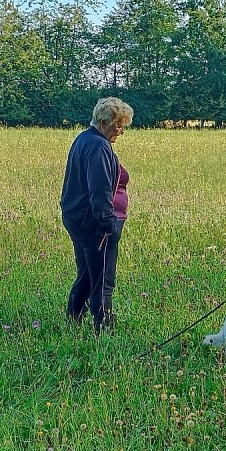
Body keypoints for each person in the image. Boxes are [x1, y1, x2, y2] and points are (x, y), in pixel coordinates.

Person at [60, 97, 133, 336]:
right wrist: (110, 224)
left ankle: (73, 318)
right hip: (94, 223)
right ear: (104, 122)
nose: (121, 131)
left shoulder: (84, 139)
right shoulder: (98, 146)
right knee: (103, 278)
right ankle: (104, 328)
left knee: (87, 273)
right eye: (119, 125)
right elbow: (99, 192)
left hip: (77, 218)